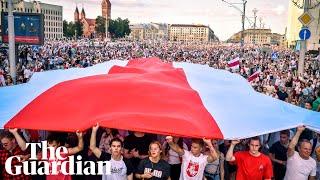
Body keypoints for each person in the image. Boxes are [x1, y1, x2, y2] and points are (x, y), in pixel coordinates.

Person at [10, 128, 83, 180]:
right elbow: (34, 156)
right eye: (49, 145)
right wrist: (26, 157)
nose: (51, 148)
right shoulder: (45, 153)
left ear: (58, 144)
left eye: (53, 146)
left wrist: (80, 137)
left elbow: (80, 148)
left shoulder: (64, 151)